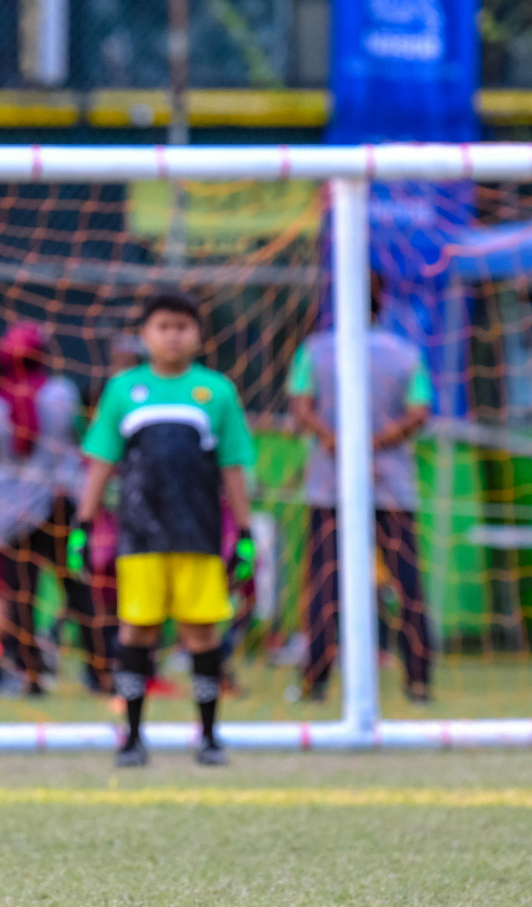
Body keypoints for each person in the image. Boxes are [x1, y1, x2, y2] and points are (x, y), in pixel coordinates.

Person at [70, 292, 255, 769]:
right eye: (163, 327)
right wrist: (84, 522)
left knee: (200, 633)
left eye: (182, 326)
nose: (173, 335)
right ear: (146, 335)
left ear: (198, 335)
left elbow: (233, 466)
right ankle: (131, 738)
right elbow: (102, 461)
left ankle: (210, 737)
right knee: (137, 630)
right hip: (139, 538)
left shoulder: (216, 392)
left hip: (199, 535)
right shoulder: (122, 390)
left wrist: (247, 530)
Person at [288, 275, 434, 703]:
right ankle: (420, 682)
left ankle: (313, 683)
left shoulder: (315, 351)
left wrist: (338, 442)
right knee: (408, 585)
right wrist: (374, 445)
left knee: (323, 584)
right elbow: (419, 412)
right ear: (381, 303)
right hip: (391, 484)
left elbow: (300, 407)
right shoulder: (405, 354)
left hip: (330, 485)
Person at [0, 321, 107, 696]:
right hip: (60, 503)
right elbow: (80, 442)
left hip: (10, 509)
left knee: (21, 596)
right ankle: (102, 672)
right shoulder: (62, 394)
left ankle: (31, 676)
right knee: (76, 589)